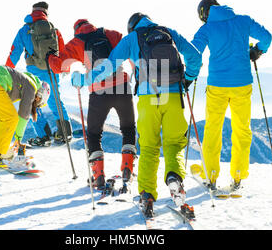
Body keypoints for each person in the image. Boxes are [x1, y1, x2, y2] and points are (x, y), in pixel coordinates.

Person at [72, 13, 202, 214]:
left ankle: (147, 195)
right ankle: (174, 177)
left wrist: (83, 80)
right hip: (174, 97)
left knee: (149, 147)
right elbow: (195, 57)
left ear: (132, 27)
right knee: (174, 144)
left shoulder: (131, 39)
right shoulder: (169, 33)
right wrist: (188, 78)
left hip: (148, 99)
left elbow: (108, 67)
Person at [190, 0, 272, 193]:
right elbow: (267, 37)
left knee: (212, 130)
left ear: (204, 14)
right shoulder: (243, 21)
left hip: (217, 86)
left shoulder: (207, 29)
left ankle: (210, 176)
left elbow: (193, 52)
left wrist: (189, 70)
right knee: (242, 129)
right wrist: (256, 51)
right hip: (242, 84)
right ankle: (237, 175)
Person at [48, 19, 136, 189]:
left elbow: (58, 67)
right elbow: (130, 49)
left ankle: (98, 176)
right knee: (128, 129)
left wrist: (51, 56)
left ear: (77, 31)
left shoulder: (77, 42)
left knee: (94, 134)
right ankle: (127, 169)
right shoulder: (111, 34)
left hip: (99, 92)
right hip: (122, 88)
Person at [5, 2, 72, 144]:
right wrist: (64, 69)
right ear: (46, 13)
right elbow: (63, 51)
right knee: (55, 99)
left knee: (33, 102)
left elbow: (15, 52)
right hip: (52, 70)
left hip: (34, 72)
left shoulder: (25, 30)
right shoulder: (54, 30)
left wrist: (7, 71)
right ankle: (65, 133)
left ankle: (43, 136)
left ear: (32, 11)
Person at [0, 64, 50, 169]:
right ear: (39, 94)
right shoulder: (31, 86)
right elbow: (23, 114)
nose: (35, 102)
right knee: (11, 117)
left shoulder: (24, 80)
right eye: (38, 100)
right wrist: (18, 139)